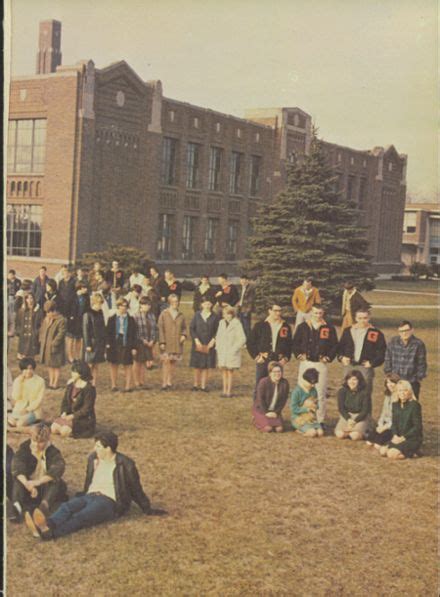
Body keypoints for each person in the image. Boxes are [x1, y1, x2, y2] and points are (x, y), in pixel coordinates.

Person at [25, 430, 167, 540]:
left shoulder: (126, 465)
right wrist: (83, 493)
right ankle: (45, 525)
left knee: (82, 516)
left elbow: (136, 489)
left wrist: (147, 509)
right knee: (67, 507)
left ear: (108, 448)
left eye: (98, 446)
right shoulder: (93, 459)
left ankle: (52, 534)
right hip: (90, 495)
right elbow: (89, 481)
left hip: (109, 501)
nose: (95, 449)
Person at [10, 423, 67, 524]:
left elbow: (59, 468)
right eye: (34, 441)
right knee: (17, 480)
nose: (36, 445)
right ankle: (17, 507)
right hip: (28, 485)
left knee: (56, 481)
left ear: (48, 440)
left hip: (43, 486)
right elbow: (17, 465)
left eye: (41, 442)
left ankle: (43, 507)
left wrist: (38, 482)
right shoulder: (25, 447)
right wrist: (28, 484)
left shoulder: (53, 452)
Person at [292, 304, 338, 425]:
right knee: (303, 390)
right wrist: (298, 354)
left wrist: (328, 357)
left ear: (323, 314)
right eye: (315, 313)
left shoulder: (328, 328)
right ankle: (303, 418)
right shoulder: (303, 326)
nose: (317, 316)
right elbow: (295, 343)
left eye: (320, 313)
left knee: (320, 392)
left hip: (320, 364)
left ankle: (320, 420)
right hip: (306, 363)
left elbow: (334, 345)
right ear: (311, 313)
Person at [337, 309, 386, 398]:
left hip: (365, 367)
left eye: (365, 318)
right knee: (347, 392)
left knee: (365, 394)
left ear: (369, 318)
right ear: (355, 318)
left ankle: (365, 412)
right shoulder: (348, 331)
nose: (362, 321)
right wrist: (342, 358)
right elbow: (340, 348)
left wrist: (372, 363)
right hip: (349, 366)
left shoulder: (375, 333)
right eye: (360, 318)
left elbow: (382, 352)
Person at [247, 303, 292, 394]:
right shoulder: (260, 325)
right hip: (264, 359)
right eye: (275, 311)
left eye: (280, 311)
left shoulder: (285, 326)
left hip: (278, 360)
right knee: (260, 385)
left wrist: (286, 358)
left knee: (276, 386)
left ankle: (273, 407)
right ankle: (258, 407)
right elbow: (250, 343)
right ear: (269, 311)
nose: (278, 313)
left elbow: (289, 344)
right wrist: (256, 357)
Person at [51, 361, 96, 439]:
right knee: (54, 429)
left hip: (83, 418)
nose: (72, 373)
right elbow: (65, 401)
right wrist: (64, 412)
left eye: (75, 372)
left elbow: (87, 409)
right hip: (69, 415)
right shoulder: (71, 385)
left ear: (81, 373)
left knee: (64, 431)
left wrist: (73, 416)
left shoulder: (89, 388)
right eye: (72, 371)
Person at [379, 380, 423, 460]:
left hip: (411, 438)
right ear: (397, 392)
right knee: (382, 451)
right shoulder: (395, 405)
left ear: (409, 392)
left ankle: (412, 453)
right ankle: (409, 452)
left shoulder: (415, 405)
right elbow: (394, 423)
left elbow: (417, 427)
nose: (402, 393)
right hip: (398, 437)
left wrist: (403, 438)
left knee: (391, 454)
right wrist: (395, 435)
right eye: (400, 390)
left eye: (405, 390)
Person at [383, 320, 427, 399]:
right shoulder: (393, 342)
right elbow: (387, 359)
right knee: (394, 406)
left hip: (411, 381)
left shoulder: (418, 344)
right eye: (401, 331)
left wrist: (417, 378)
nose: (404, 333)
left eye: (406, 330)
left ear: (412, 330)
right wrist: (390, 376)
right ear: (398, 332)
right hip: (395, 381)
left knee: (411, 407)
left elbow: (422, 364)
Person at [106, 298, 137, 392]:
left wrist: (134, 347)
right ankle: (114, 385)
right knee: (113, 363)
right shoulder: (112, 319)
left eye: (125, 306)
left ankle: (128, 386)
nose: (123, 308)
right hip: (114, 342)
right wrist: (107, 344)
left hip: (126, 342)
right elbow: (108, 333)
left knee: (127, 364)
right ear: (118, 306)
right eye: (121, 306)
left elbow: (134, 334)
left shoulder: (131, 320)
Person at [215, 306, 247, 397]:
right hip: (222, 350)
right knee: (223, 370)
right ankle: (224, 390)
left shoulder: (237, 324)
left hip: (231, 351)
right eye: (225, 314)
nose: (227, 316)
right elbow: (218, 336)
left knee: (229, 371)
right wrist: (218, 347)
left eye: (229, 314)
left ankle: (229, 391)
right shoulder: (221, 323)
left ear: (232, 314)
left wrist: (234, 349)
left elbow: (242, 338)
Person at [158, 294, 187, 390]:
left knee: (173, 362)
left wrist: (183, 335)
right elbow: (160, 328)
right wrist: (162, 341)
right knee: (166, 362)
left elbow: (184, 328)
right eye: (173, 301)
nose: (176, 303)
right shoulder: (164, 314)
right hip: (167, 342)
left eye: (177, 301)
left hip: (177, 343)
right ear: (169, 302)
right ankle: (164, 382)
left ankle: (170, 381)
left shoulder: (181, 315)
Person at [189, 297, 219, 392]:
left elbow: (217, 330)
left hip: (209, 343)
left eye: (209, 304)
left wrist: (213, 340)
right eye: (205, 304)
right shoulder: (197, 315)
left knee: (206, 365)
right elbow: (192, 328)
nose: (207, 306)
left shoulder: (215, 316)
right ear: (202, 305)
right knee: (197, 365)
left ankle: (203, 386)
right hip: (198, 343)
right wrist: (196, 340)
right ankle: (195, 384)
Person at [8, 358, 45, 429]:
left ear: (33, 369)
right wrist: (20, 384)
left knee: (20, 424)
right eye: (25, 369)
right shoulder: (17, 380)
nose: (28, 371)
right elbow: (15, 397)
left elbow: (39, 400)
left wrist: (28, 409)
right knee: (11, 422)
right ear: (22, 370)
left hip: (33, 411)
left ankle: (36, 426)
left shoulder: (40, 381)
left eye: (30, 369)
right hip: (19, 409)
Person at [335, 370, 372, 441]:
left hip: (360, 417)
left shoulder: (365, 392)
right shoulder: (342, 391)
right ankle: (349, 430)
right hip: (347, 416)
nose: (351, 382)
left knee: (354, 436)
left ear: (359, 381)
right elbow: (341, 408)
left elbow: (365, 411)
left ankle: (365, 430)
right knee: (339, 434)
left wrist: (355, 421)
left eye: (354, 379)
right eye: (349, 379)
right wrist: (348, 419)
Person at [366, 373, 400, 449]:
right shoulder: (388, 395)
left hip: (393, 426)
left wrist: (385, 427)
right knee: (369, 442)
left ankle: (391, 440)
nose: (390, 385)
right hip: (385, 423)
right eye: (388, 383)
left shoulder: (400, 397)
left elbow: (397, 418)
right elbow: (383, 412)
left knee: (377, 445)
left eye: (392, 382)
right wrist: (380, 424)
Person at [253, 362, 289, 432]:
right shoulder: (263, 382)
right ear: (270, 373)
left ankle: (271, 420)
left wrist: (276, 412)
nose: (277, 374)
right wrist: (266, 412)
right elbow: (260, 399)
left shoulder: (285, 383)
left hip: (274, 411)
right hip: (261, 409)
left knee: (279, 429)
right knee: (268, 429)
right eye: (274, 372)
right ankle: (256, 420)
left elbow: (283, 401)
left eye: (279, 371)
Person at [39, 300, 67, 390]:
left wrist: (54, 343)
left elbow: (61, 333)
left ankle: (55, 383)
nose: (47, 314)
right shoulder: (47, 319)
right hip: (47, 346)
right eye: (46, 312)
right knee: (49, 365)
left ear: (54, 311)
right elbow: (42, 331)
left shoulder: (61, 320)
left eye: (49, 312)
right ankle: (51, 381)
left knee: (56, 366)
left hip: (56, 347)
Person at [290, 367, 323, 438]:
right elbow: (293, 409)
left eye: (314, 383)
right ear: (304, 380)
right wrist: (306, 409)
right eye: (311, 383)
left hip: (311, 418)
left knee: (320, 433)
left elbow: (317, 405)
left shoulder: (313, 390)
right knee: (313, 433)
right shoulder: (297, 391)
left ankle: (308, 428)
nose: (313, 385)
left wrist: (315, 407)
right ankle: (300, 430)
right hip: (299, 418)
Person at [83, 293, 107, 386]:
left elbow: (102, 328)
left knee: (96, 364)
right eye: (99, 303)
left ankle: (94, 382)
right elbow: (86, 330)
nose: (100, 305)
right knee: (89, 364)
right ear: (94, 303)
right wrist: (88, 344)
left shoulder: (100, 313)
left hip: (99, 342)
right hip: (91, 342)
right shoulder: (87, 314)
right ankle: (87, 381)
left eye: (101, 304)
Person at [133, 297, 157, 388]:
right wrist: (143, 340)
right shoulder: (136, 316)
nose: (147, 306)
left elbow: (155, 329)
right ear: (140, 305)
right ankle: (136, 381)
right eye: (145, 304)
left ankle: (142, 381)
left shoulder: (152, 316)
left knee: (144, 361)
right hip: (139, 342)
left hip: (149, 342)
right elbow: (134, 331)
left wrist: (152, 340)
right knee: (137, 362)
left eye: (148, 305)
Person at [66, 282, 91, 362]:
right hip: (72, 321)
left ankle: (77, 356)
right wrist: (70, 317)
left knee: (79, 339)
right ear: (80, 288)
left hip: (81, 321)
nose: (86, 290)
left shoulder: (86, 297)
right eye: (85, 288)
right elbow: (67, 308)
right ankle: (70, 356)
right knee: (70, 339)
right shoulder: (72, 297)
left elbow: (87, 308)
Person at [15, 293, 44, 359]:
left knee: (31, 354)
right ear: (25, 300)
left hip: (33, 335)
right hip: (23, 334)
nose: (30, 300)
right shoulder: (21, 310)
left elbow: (41, 323)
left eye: (31, 298)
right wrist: (19, 331)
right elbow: (17, 322)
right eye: (28, 298)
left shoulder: (38, 311)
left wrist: (37, 332)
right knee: (23, 353)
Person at [237, 274, 256, 339]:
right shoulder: (241, 288)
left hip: (246, 310)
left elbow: (251, 301)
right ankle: (245, 339)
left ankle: (249, 340)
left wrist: (247, 311)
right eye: (241, 280)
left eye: (244, 280)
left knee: (247, 326)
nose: (243, 282)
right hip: (240, 309)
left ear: (247, 281)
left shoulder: (250, 288)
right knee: (242, 325)